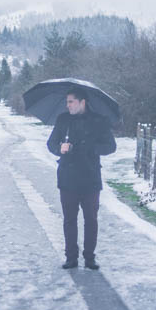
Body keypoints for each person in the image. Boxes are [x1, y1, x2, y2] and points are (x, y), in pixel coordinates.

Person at [46, 86, 117, 270]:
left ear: (82, 102)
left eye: (71, 101)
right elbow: (51, 143)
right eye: (67, 102)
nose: (67, 105)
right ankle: (71, 257)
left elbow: (111, 146)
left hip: (90, 177)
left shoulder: (98, 121)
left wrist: (93, 149)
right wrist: (59, 148)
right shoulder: (63, 120)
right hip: (68, 178)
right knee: (69, 219)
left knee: (91, 219)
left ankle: (90, 257)